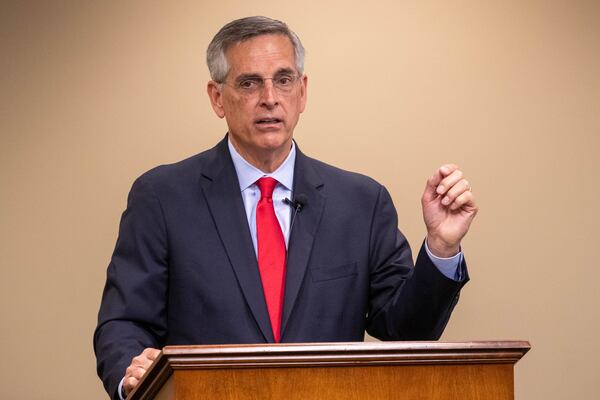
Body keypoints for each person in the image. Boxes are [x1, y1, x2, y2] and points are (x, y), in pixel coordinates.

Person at [94, 16, 478, 400]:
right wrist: (132, 377)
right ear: (217, 98)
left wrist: (441, 248)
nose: (270, 99)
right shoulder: (162, 197)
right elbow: (124, 322)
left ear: (302, 92)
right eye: (249, 83)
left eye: (283, 79)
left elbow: (405, 332)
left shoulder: (361, 202)